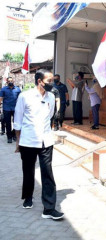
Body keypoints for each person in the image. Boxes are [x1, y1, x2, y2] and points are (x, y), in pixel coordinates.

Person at [14, 69, 64, 220]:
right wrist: (18, 142)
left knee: (47, 173)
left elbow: (49, 117)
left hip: (46, 141)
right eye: (49, 81)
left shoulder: (50, 97)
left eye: (52, 81)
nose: (52, 84)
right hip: (28, 141)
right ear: (39, 81)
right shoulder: (25, 96)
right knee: (28, 171)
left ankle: (49, 209)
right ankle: (28, 197)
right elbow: (18, 120)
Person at [0, 77, 21, 143]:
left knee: (16, 123)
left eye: (11, 81)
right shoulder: (3, 89)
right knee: (8, 123)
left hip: (16, 108)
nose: (10, 82)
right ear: (7, 82)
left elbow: (21, 99)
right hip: (6, 108)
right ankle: (9, 137)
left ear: (14, 81)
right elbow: (1, 98)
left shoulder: (18, 89)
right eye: (9, 81)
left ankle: (14, 135)